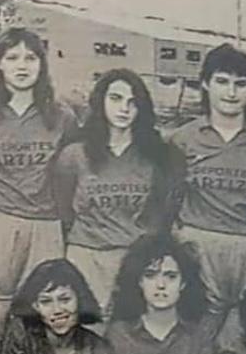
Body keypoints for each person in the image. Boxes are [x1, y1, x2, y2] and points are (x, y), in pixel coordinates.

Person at [0, 28, 79, 334]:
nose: (22, 66)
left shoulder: (62, 117)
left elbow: (73, 172)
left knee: (41, 323)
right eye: (12, 58)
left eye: (30, 57)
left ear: (42, 64)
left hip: (44, 226)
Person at [167, 43, 246, 337]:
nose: (231, 92)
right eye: (222, 81)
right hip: (201, 247)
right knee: (196, 336)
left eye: (240, 84)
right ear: (206, 84)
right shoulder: (182, 140)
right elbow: (168, 201)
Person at [54, 69, 181, 313]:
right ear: (100, 101)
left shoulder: (155, 157)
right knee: (87, 334)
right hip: (85, 257)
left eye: (133, 102)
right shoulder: (75, 155)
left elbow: (162, 213)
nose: (124, 108)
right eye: (116, 98)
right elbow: (63, 211)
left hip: (133, 259)